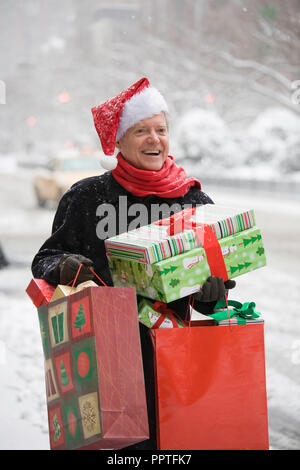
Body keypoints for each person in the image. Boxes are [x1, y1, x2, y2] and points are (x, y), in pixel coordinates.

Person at [31, 77, 235, 450]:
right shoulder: (87, 196)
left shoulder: (194, 201)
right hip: (103, 359)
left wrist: (211, 295)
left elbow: (210, 292)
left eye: (161, 129)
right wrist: (63, 267)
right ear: (119, 141)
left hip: (176, 362)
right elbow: (45, 259)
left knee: (175, 448)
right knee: (119, 451)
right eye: (141, 130)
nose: (154, 139)